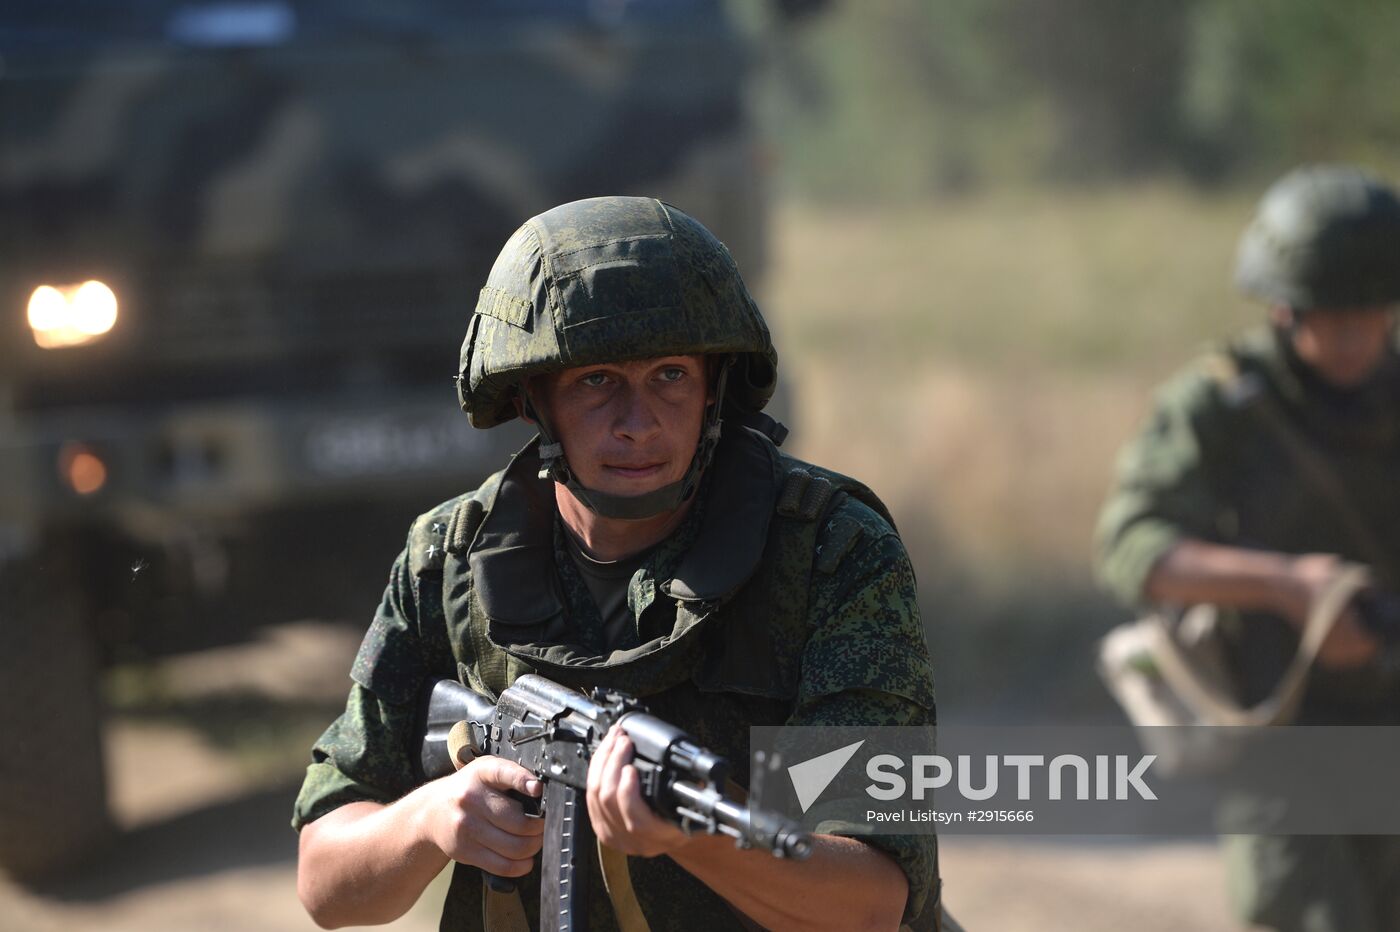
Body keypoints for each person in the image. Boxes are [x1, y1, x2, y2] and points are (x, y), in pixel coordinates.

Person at [292, 196, 941, 931]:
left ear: (713, 389)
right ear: (534, 399)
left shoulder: (830, 552)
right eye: (596, 380)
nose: (638, 423)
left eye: (669, 375)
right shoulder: (447, 559)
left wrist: (694, 838)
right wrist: (432, 819)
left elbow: (872, 900)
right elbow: (324, 883)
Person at [1095, 164, 1400, 932]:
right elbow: (1134, 548)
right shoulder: (1225, 408)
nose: (1358, 335)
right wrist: (1289, 587)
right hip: (1285, 740)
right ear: (1284, 306)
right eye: (1337, 315)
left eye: (1373, 312)